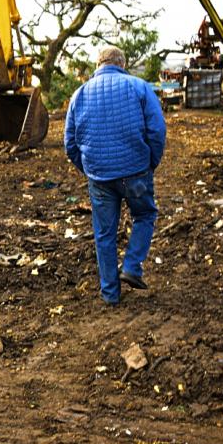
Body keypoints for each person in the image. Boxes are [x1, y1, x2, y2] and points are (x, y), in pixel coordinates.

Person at [64, 45, 166, 305]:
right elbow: (157, 130)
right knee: (144, 214)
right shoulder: (139, 87)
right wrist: (150, 163)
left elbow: (70, 143)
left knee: (104, 233)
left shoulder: (79, 94)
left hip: (99, 177)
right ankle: (132, 266)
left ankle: (110, 294)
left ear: (98, 65)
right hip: (135, 171)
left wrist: (90, 169)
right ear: (122, 64)